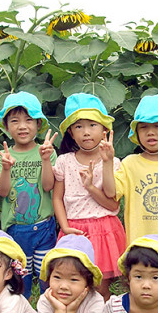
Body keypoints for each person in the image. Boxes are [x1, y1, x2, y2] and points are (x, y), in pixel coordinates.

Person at [101, 94, 158, 307]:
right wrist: (107, 162)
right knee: (140, 301)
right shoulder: (130, 163)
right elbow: (110, 192)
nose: (150, 132)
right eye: (143, 127)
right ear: (137, 133)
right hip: (139, 248)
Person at [53, 93, 126, 301]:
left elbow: (112, 201)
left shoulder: (112, 161)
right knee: (74, 288)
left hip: (104, 229)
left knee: (101, 290)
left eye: (92, 125)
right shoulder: (65, 161)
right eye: (79, 127)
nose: (86, 132)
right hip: (75, 230)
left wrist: (107, 164)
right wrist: (64, 227)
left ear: (104, 130)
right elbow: (57, 198)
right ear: (71, 132)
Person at [0, 91, 59, 298]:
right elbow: (2, 192)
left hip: (44, 227)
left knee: (46, 276)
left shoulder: (47, 151)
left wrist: (46, 160)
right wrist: (5, 168)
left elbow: (48, 186)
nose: (22, 126)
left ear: (39, 124)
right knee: (21, 279)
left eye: (29, 120)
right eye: (15, 121)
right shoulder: (2, 156)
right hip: (15, 230)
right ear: (6, 126)